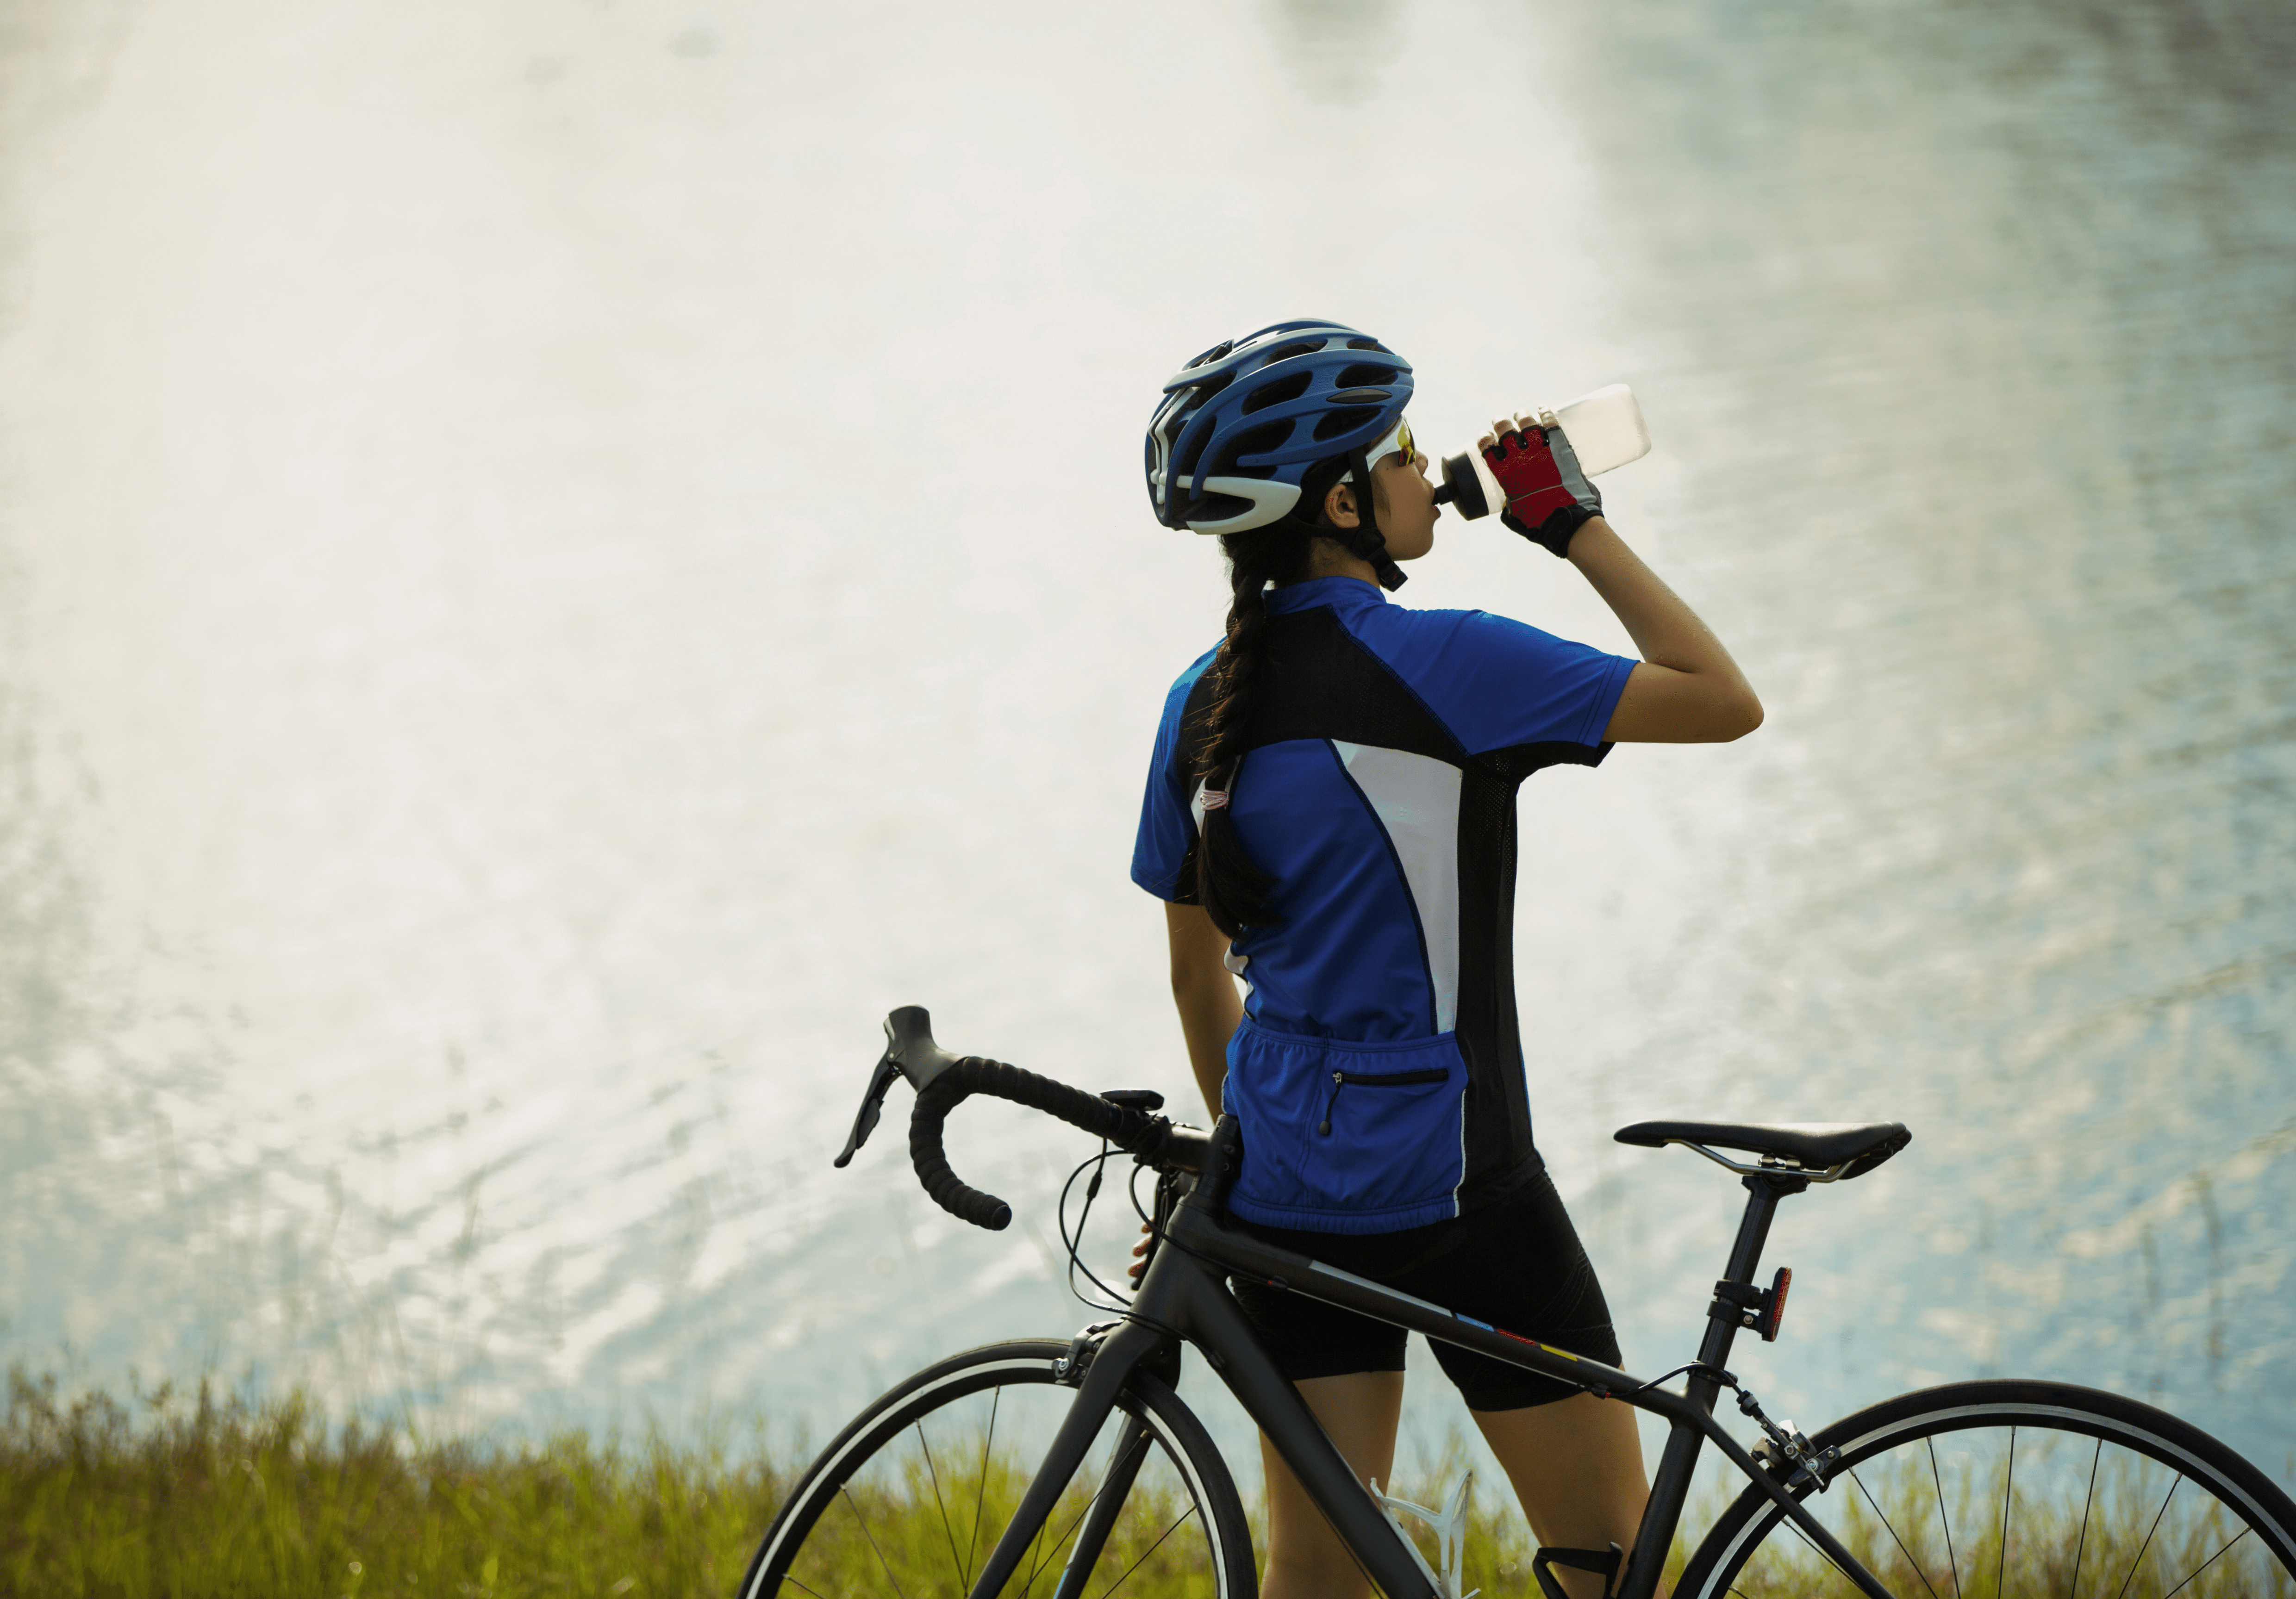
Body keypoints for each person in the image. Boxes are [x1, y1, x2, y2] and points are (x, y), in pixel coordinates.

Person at [1130, 320, 1760, 1599]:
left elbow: (1200, 983)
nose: (1430, 472)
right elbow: (1720, 695)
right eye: (1403, 453)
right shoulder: (1453, 663)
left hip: (1285, 1195)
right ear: (1346, 502)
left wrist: (1245, 1148)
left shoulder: (1202, 701)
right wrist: (1571, 524)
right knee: (1614, 1573)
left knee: (1321, 1582)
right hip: (1467, 1195)